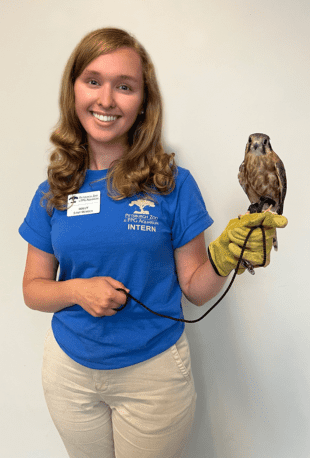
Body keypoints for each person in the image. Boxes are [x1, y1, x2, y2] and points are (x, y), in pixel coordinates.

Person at [19, 28, 287, 458]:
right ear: (73, 91)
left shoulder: (173, 184)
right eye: (93, 81)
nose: (106, 99)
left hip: (153, 375)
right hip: (69, 375)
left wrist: (224, 256)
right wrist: (77, 290)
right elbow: (33, 289)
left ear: (143, 102)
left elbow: (195, 289)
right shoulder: (53, 190)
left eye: (124, 87)